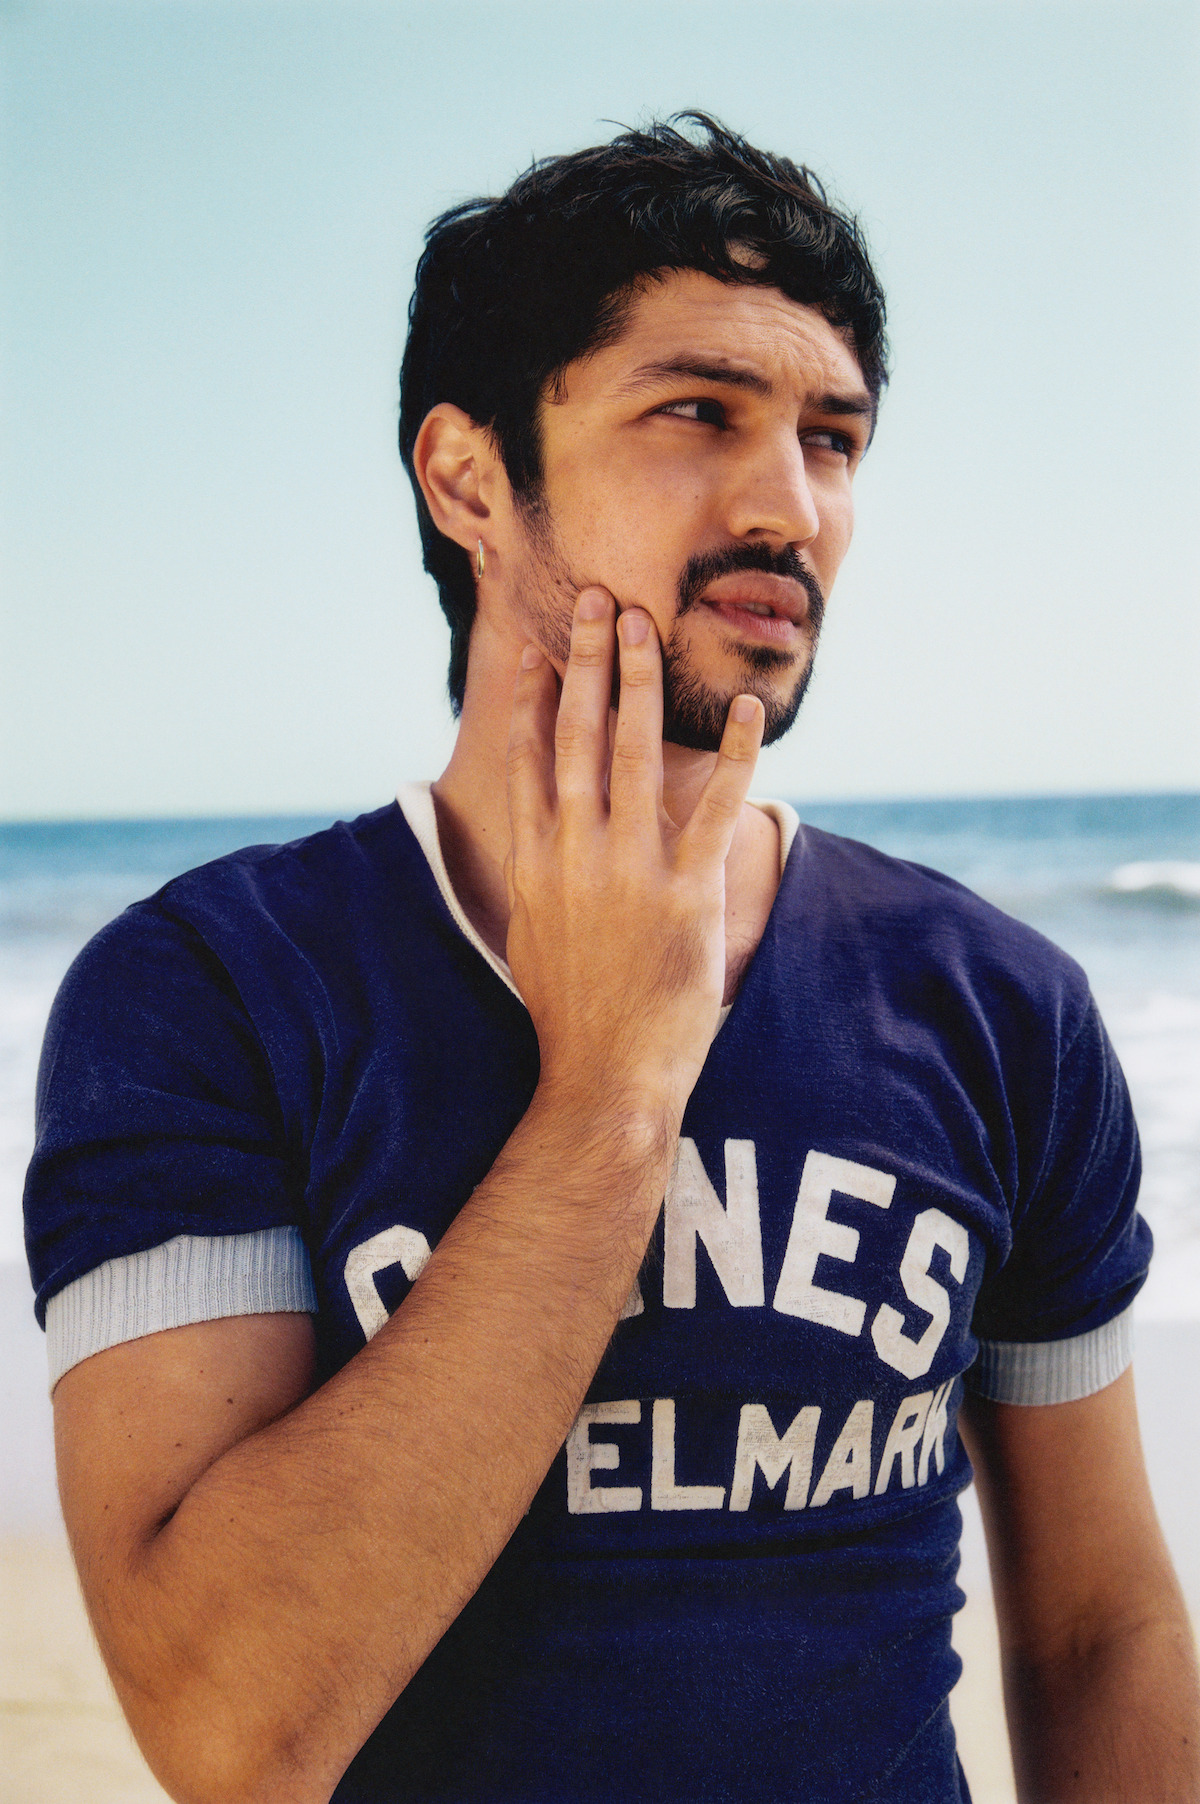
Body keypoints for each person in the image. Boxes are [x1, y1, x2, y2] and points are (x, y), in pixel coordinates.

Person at [24, 115, 1199, 1804]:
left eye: (835, 438)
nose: (789, 504)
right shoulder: (211, 991)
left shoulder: (996, 1003)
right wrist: (610, 1099)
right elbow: (233, 1725)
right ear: (470, 476)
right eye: (697, 412)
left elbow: (1102, 1630)